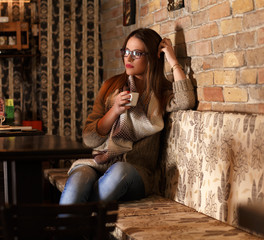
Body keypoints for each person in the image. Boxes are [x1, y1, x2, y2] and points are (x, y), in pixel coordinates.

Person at [60, 28, 195, 204]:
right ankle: (71, 230)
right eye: (126, 51)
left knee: (119, 171)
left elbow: (186, 101)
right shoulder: (111, 86)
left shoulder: (161, 93)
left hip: (135, 172)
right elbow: (89, 139)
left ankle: (84, 221)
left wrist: (173, 61)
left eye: (137, 53)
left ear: (154, 57)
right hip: (99, 162)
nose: (128, 58)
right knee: (76, 185)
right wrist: (114, 110)